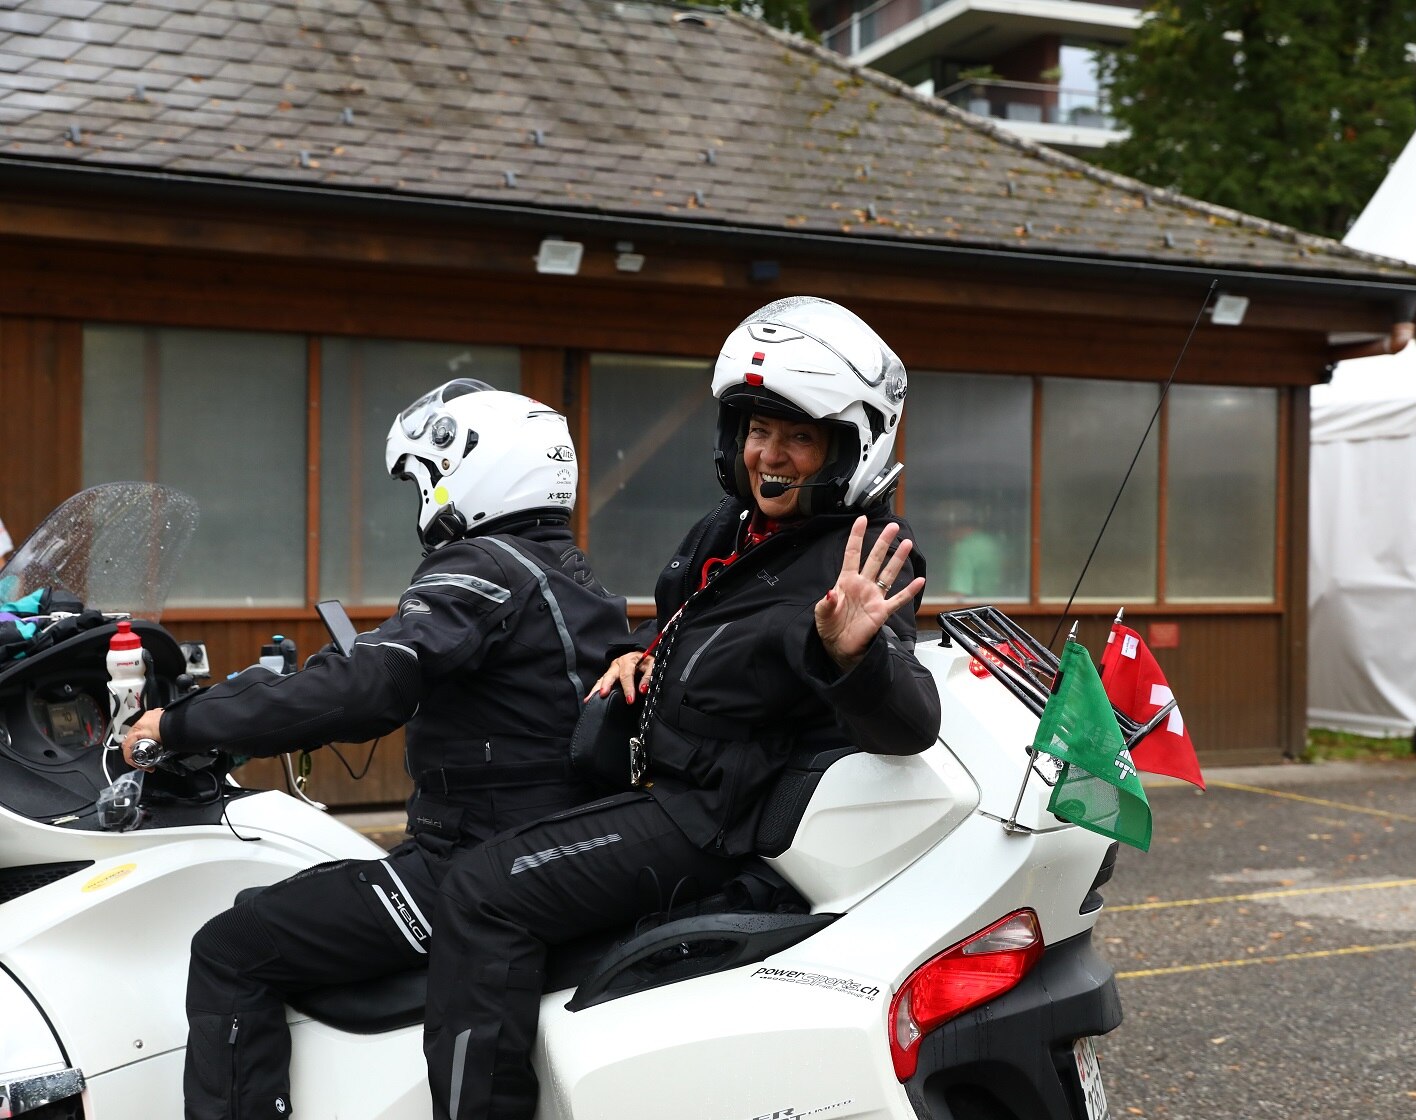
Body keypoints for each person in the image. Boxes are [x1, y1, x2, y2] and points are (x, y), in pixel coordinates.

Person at [420, 297, 941, 1120]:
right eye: (756, 430)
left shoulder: (859, 557)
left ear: (849, 447)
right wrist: (643, 647)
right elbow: (690, 621)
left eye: (798, 436)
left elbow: (911, 720)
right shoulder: (730, 530)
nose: (769, 453)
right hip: (654, 786)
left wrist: (854, 656)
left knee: (483, 891)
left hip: (711, 818)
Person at [120, 380, 631, 1120]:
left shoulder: (479, 569)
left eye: (423, 479)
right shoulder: (567, 572)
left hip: (470, 860)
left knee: (233, 947)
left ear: (466, 475)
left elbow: (368, 687)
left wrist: (180, 724)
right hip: (541, 846)